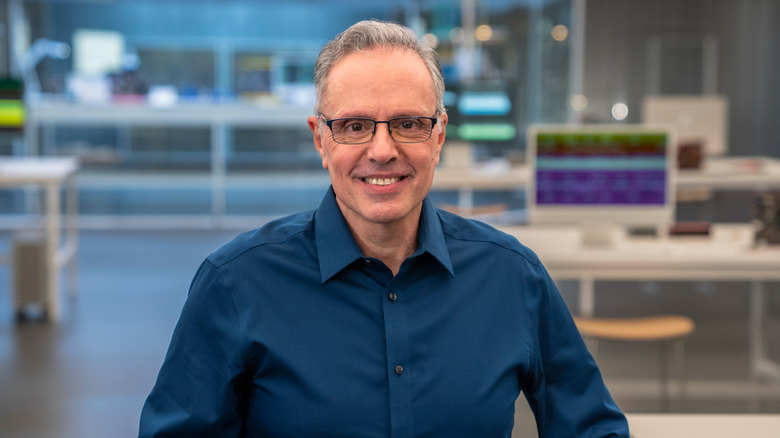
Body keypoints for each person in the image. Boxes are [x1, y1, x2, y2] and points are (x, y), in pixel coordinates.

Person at [139, 19, 629, 438]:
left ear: (438, 137)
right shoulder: (236, 283)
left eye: (408, 124)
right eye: (354, 126)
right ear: (320, 140)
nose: (381, 150)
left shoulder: (512, 277)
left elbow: (592, 426)